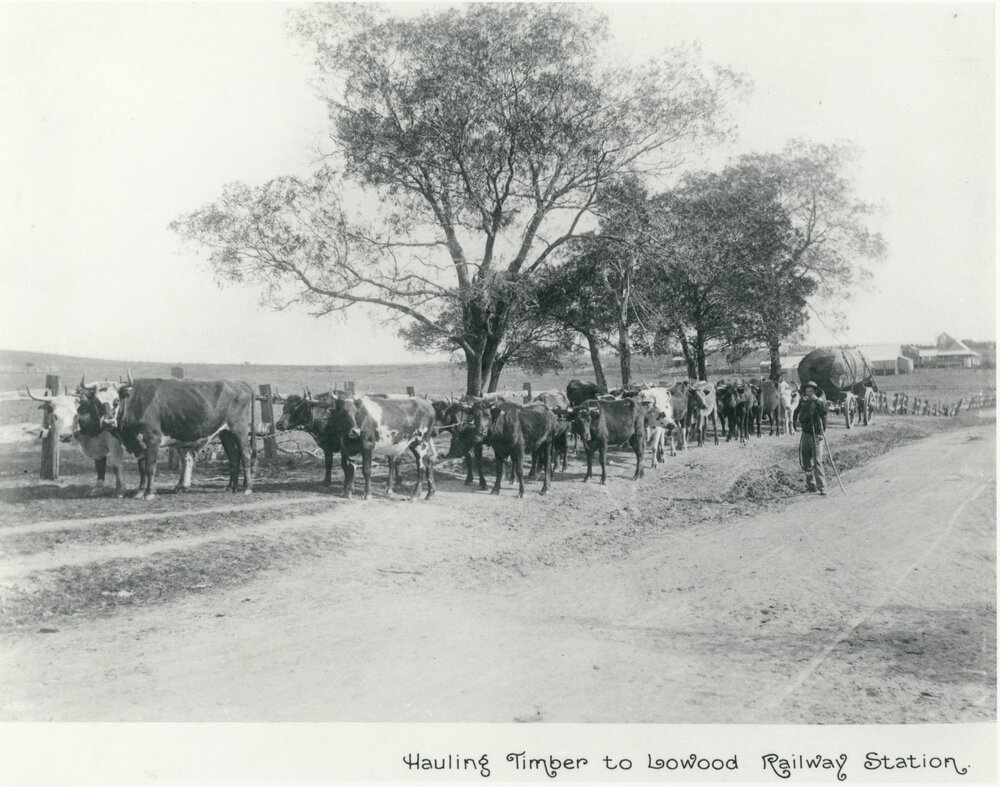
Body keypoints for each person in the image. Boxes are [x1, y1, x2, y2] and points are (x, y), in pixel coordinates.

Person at [798, 381, 828, 495]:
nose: (808, 394)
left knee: (817, 461)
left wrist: (816, 400)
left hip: (816, 435)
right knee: (806, 461)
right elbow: (800, 416)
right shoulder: (804, 403)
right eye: (807, 392)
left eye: (811, 391)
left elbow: (824, 411)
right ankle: (811, 485)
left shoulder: (820, 402)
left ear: (815, 392)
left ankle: (822, 486)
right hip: (805, 434)